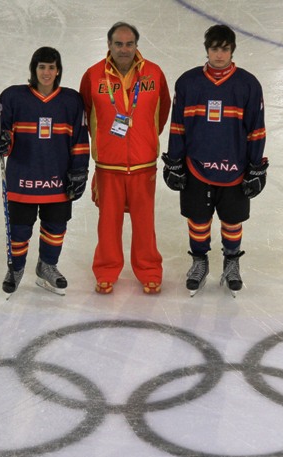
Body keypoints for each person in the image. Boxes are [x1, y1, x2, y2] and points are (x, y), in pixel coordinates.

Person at [162, 24, 268, 296]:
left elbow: (256, 128)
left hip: (235, 167)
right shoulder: (188, 83)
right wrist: (174, 161)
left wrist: (256, 167)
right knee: (198, 221)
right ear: (206, 49)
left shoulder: (248, 84)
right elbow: (177, 126)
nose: (219, 55)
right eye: (214, 48)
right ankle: (199, 262)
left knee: (232, 222)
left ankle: (231, 263)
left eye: (225, 49)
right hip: (196, 167)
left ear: (232, 50)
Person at [0, 46, 90, 297]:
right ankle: (16, 268)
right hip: (22, 177)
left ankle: (47, 265)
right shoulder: (13, 97)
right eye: (42, 67)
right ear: (34, 69)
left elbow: (79, 139)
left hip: (57, 178)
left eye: (52, 67)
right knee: (20, 228)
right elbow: (0, 131)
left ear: (58, 71)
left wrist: (79, 171)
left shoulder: (71, 100)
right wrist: (0, 140)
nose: (47, 72)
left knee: (56, 227)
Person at [80, 21, 171, 295]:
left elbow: (163, 109)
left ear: (136, 46)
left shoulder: (153, 73)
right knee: (108, 223)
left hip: (144, 164)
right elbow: (85, 113)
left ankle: (149, 270)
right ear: (109, 45)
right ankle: (106, 270)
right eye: (118, 44)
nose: (124, 49)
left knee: (145, 223)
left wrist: (145, 138)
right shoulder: (93, 76)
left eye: (129, 44)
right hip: (109, 165)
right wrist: (104, 144)